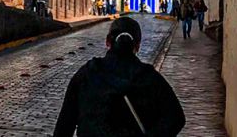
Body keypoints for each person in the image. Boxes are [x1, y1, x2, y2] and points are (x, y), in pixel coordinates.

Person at [54, 17, 185, 137]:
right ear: (137, 46)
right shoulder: (150, 78)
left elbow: (65, 124)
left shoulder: (87, 74)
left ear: (107, 42)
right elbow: (176, 118)